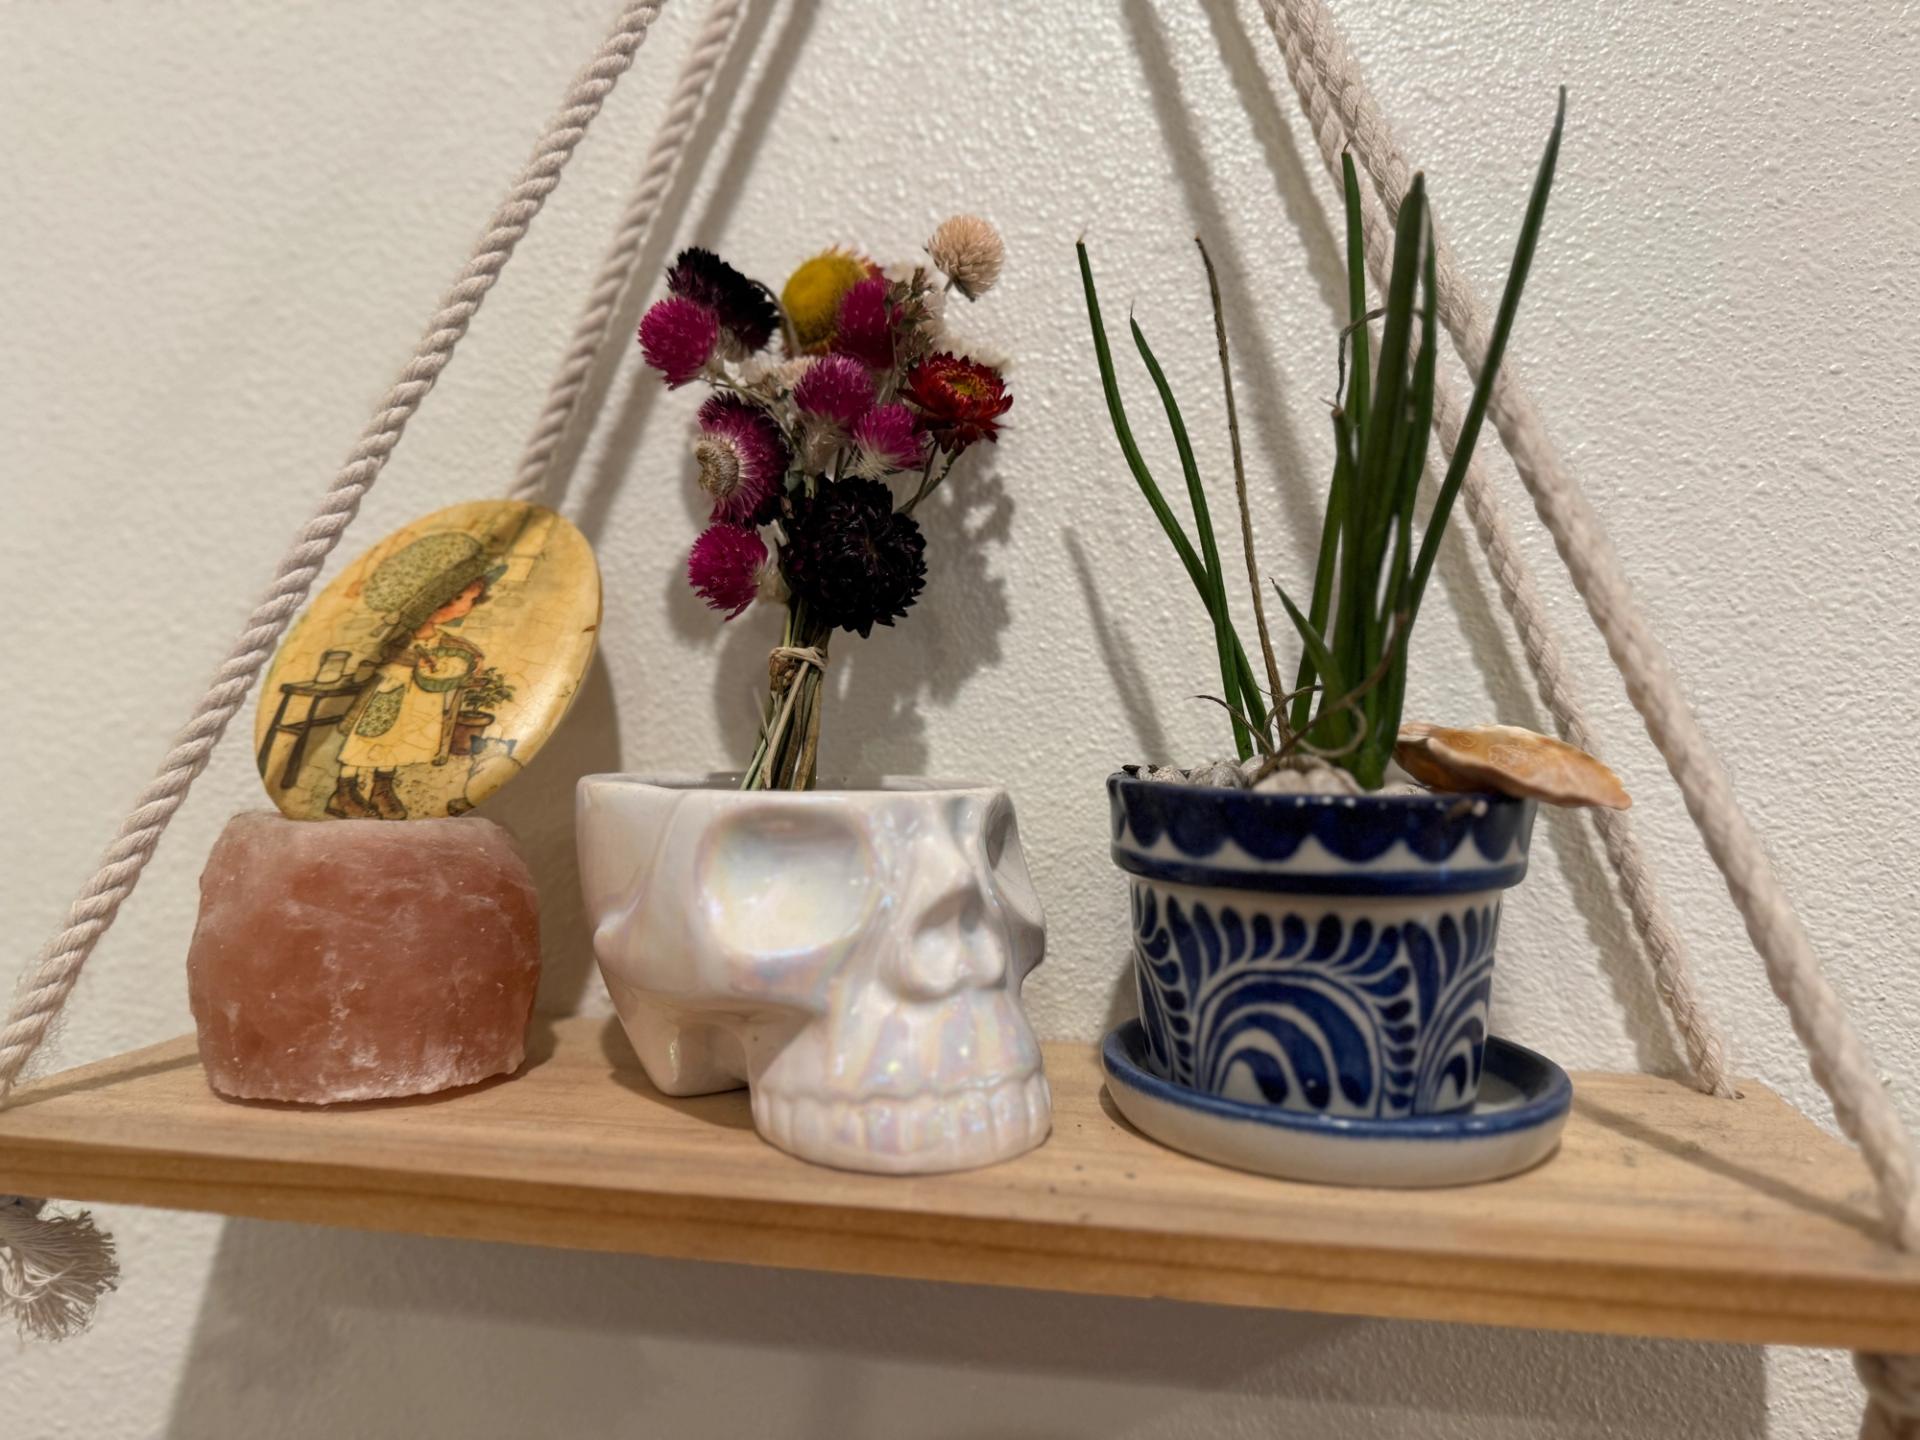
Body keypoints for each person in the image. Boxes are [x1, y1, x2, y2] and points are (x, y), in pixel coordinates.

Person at [328, 532, 504, 820]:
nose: (466, 606)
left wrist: (470, 654)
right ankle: (344, 792)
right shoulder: (399, 636)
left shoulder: (439, 636)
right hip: (392, 695)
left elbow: (451, 647)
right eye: (462, 598)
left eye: (471, 599)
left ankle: (382, 790)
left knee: (399, 744)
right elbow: (387, 655)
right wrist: (415, 659)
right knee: (370, 743)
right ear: (438, 602)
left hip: (420, 699)